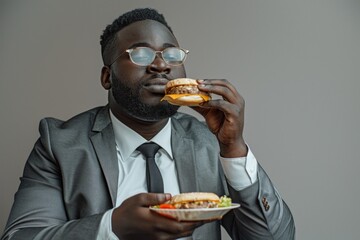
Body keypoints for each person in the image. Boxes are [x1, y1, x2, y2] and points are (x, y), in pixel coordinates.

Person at [1, 8, 295, 240]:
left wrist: (234, 149)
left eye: (171, 55)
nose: (161, 65)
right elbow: (21, 235)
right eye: (140, 54)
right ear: (107, 77)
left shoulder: (208, 142)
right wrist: (111, 226)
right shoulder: (59, 144)